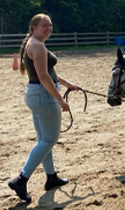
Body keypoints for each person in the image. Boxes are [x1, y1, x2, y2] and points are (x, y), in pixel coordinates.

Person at [8, 13, 79, 203]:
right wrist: (60, 101)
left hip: (36, 94)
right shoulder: (37, 46)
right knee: (49, 140)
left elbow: (49, 73)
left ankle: (51, 177)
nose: (49, 29)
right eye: (44, 26)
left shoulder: (34, 43)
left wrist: (66, 84)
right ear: (34, 28)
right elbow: (43, 77)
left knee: (44, 139)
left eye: (50, 25)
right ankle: (21, 179)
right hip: (44, 95)